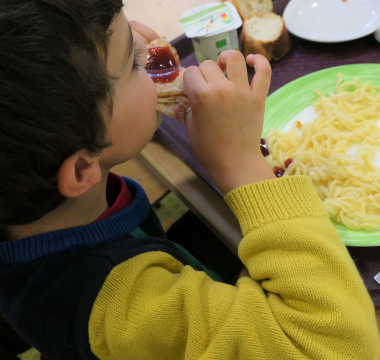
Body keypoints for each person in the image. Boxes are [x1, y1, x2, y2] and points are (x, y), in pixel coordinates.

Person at [0, 1, 378, 359]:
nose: (149, 44)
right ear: (82, 170)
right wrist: (243, 165)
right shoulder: (124, 313)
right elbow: (343, 345)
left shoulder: (35, 196)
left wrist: (117, 50)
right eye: (133, 60)